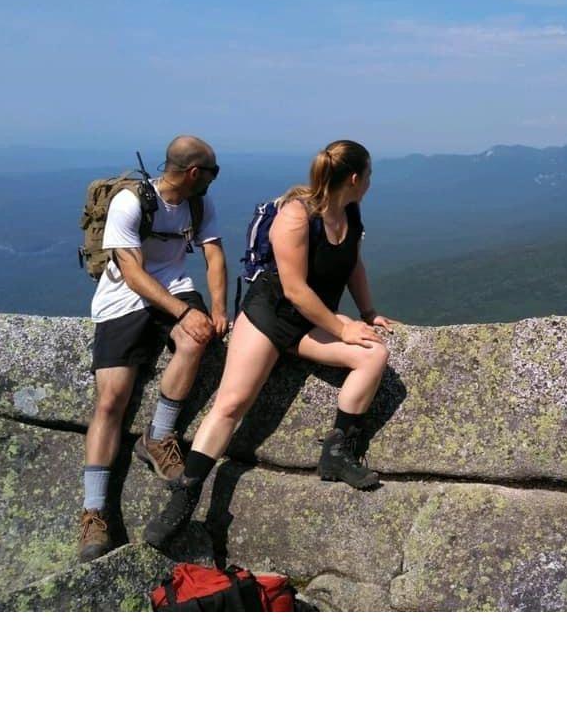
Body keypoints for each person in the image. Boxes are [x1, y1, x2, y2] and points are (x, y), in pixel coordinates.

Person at [144, 139, 393, 550]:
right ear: (354, 178)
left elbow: (354, 264)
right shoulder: (296, 215)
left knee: (375, 355)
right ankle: (184, 498)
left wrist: (367, 313)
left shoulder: (349, 211)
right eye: (368, 176)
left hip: (311, 322)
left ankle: (336, 451)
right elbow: (294, 289)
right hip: (270, 316)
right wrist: (342, 328)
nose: (369, 184)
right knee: (231, 404)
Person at [79, 135, 227, 562]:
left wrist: (217, 309)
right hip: (123, 297)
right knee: (110, 401)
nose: (215, 180)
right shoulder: (130, 203)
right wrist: (184, 312)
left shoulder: (200, 205)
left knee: (196, 339)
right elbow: (131, 271)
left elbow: (214, 256)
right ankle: (93, 512)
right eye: (212, 171)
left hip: (174, 285)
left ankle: (158, 436)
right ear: (195, 173)